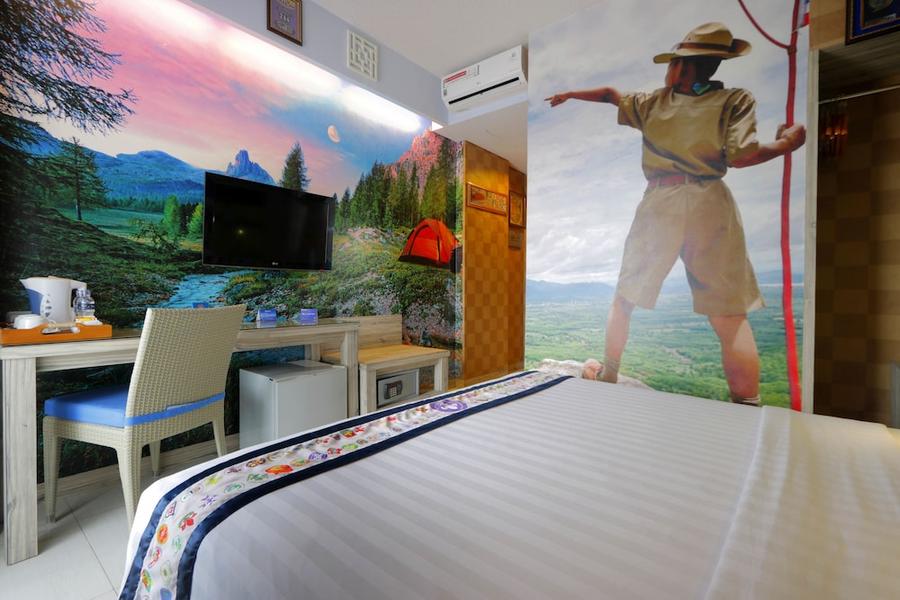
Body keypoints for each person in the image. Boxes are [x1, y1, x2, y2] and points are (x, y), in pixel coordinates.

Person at [545, 22, 806, 406]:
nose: (670, 70)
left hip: (660, 202)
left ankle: (609, 375)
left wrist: (570, 94)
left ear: (681, 66)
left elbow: (609, 95)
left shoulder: (652, 103)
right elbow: (743, 155)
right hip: (710, 202)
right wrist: (787, 143)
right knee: (730, 316)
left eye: (673, 63)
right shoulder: (734, 99)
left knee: (624, 300)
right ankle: (747, 406)